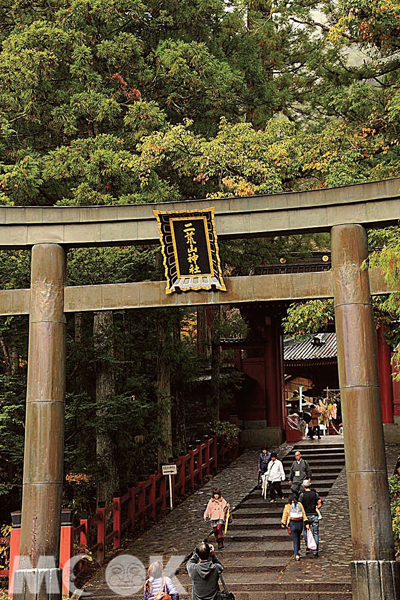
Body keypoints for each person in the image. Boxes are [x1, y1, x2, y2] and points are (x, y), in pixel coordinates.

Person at [281, 493, 309, 561]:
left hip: (292, 523)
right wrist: (306, 521)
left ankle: (296, 554)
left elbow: (285, 515)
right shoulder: (299, 504)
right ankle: (298, 551)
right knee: (298, 537)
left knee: (295, 539)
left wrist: (283, 523)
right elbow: (303, 513)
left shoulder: (287, 506)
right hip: (299, 523)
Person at [298, 479, 322, 557]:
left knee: (306, 532)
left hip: (306, 516)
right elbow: (319, 504)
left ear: (303, 486)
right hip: (314, 515)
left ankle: (308, 545)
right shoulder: (315, 494)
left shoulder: (302, 495)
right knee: (315, 533)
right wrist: (316, 508)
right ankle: (316, 550)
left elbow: (300, 506)